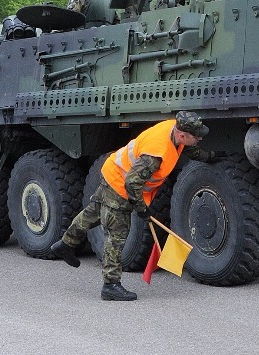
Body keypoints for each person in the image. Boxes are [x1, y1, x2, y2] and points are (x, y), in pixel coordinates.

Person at [49, 111, 216, 301]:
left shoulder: (175, 128)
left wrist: (207, 156)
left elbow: (187, 147)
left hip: (112, 172)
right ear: (182, 135)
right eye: (198, 136)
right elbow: (131, 183)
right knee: (117, 234)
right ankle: (110, 285)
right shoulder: (155, 154)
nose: (200, 138)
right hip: (120, 185)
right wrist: (141, 209)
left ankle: (65, 244)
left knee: (93, 212)